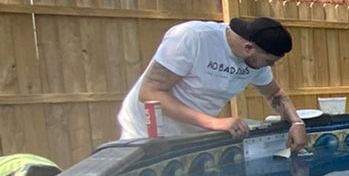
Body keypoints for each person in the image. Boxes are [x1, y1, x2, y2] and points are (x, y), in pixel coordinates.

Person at [117, 15, 307, 150]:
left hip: (193, 137)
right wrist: (214, 123)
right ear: (248, 47)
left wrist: (296, 123)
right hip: (146, 134)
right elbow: (150, 93)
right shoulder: (192, 37)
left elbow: (274, 94)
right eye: (268, 61)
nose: (271, 66)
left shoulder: (255, 62)